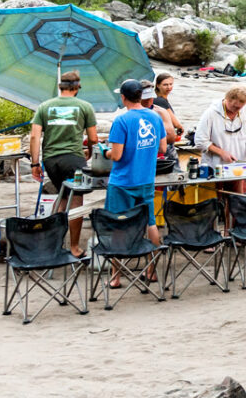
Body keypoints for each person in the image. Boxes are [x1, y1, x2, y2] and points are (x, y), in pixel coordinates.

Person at [103, 79, 168, 286]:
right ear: (141, 96)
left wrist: (105, 152)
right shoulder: (155, 117)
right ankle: (151, 270)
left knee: (118, 226)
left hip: (122, 182)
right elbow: (163, 149)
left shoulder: (121, 121)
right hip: (146, 179)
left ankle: (115, 276)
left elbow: (117, 155)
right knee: (150, 222)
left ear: (123, 97)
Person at [28, 70, 98, 255]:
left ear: (60, 86)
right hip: (73, 159)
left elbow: (35, 136)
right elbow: (93, 138)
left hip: (50, 160)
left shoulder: (44, 106)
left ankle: (55, 244)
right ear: (77, 87)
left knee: (62, 198)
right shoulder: (85, 106)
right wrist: (90, 152)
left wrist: (35, 164)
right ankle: (74, 247)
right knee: (76, 202)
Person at [195, 86, 246, 165]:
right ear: (227, 99)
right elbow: (200, 141)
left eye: (240, 108)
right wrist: (221, 153)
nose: (237, 110)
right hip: (216, 166)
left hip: (241, 164)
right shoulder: (211, 113)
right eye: (234, 107)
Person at [152, 73, 186, 143]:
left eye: (171, 84)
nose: (169, 87)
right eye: (165, 85)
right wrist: (181, 130)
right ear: (158, 85)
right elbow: (177, 124)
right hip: (163, 139)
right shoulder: (160, 101)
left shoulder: (156, 99)